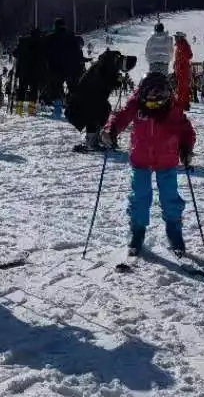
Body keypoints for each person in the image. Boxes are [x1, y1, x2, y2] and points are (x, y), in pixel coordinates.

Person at [102, 71, 196, 258]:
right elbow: (121, 117)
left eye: (157, 103)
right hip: (141, 159)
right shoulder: (136, 104)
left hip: (166, 159)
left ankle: (174, 232)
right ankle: (137, 232)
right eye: (149, 103)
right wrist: (111, 129)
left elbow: (186, 129)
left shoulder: (172, 108)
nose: (153, 106)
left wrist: (186, 146)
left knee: (170, 197)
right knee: (140, 197)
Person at [66, 49, 133, 151]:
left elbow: (105, 80)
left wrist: (115, 81)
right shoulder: (106, 65)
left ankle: (96, 138)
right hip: (87, 96)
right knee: (94, 115)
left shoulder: (108, 62)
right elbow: (102, 81)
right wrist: (115, 82)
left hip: (92, 96)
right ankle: (91, 141)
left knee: (103, 110)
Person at [173, 32, 193, 107]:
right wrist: (175, 63)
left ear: (180, 37)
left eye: (176, 37)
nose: (175, 39)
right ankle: (184, 103)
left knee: (182, 87)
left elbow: (189, 55)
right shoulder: (179, 45)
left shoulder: (183, 45)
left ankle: (182, 103)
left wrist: (181, 62)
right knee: (181, 86)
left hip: (183, 69)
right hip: (180, 68)